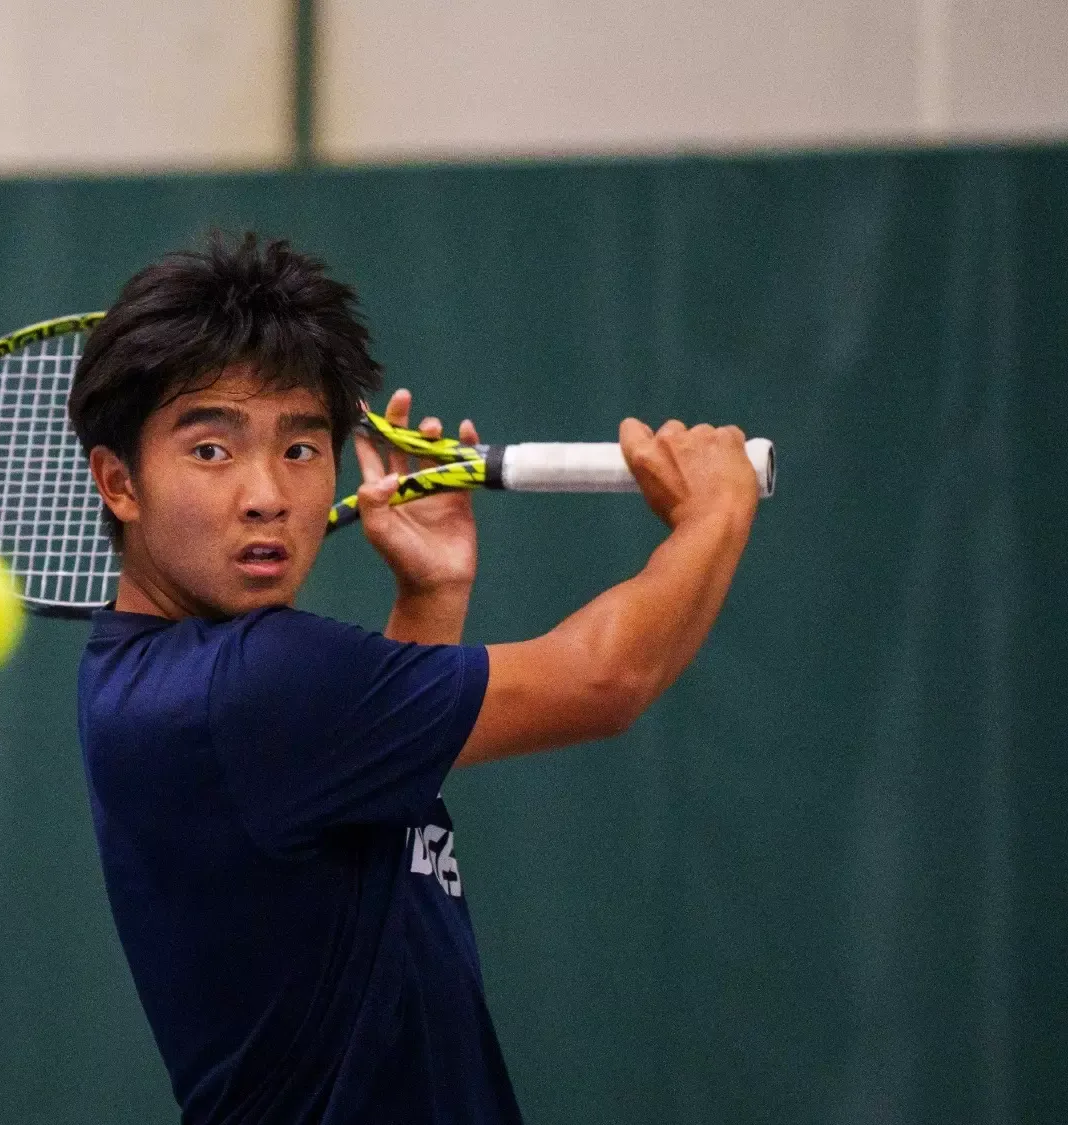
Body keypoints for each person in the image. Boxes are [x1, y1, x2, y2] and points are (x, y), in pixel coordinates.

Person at [67, 232, 760, 1125]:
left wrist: (430, 596)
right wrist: (715, 515)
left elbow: (359, 856)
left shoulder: (152, 679)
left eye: (300, 448)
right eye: (211, 451)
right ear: (119, 482)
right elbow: (605, 680)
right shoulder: (253, 683)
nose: (266, 494)